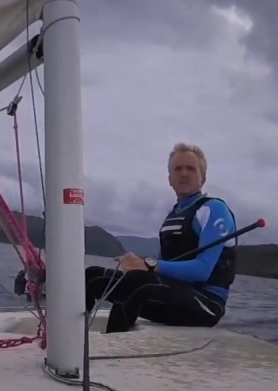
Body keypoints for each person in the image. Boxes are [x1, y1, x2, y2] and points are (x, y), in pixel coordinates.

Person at [85, 142, 238, 334]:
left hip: (206, 303)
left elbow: (202, 270)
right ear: (170, 179)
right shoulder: (173, 215)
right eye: (178, 169)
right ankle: (73, 341)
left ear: (203, 177)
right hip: (172, 292)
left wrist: (147, 265)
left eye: (191, 168)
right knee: (91, 276)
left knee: (137, 282)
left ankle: (114, 348)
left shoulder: (213, 210)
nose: (184, 173)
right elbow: (165, 268)